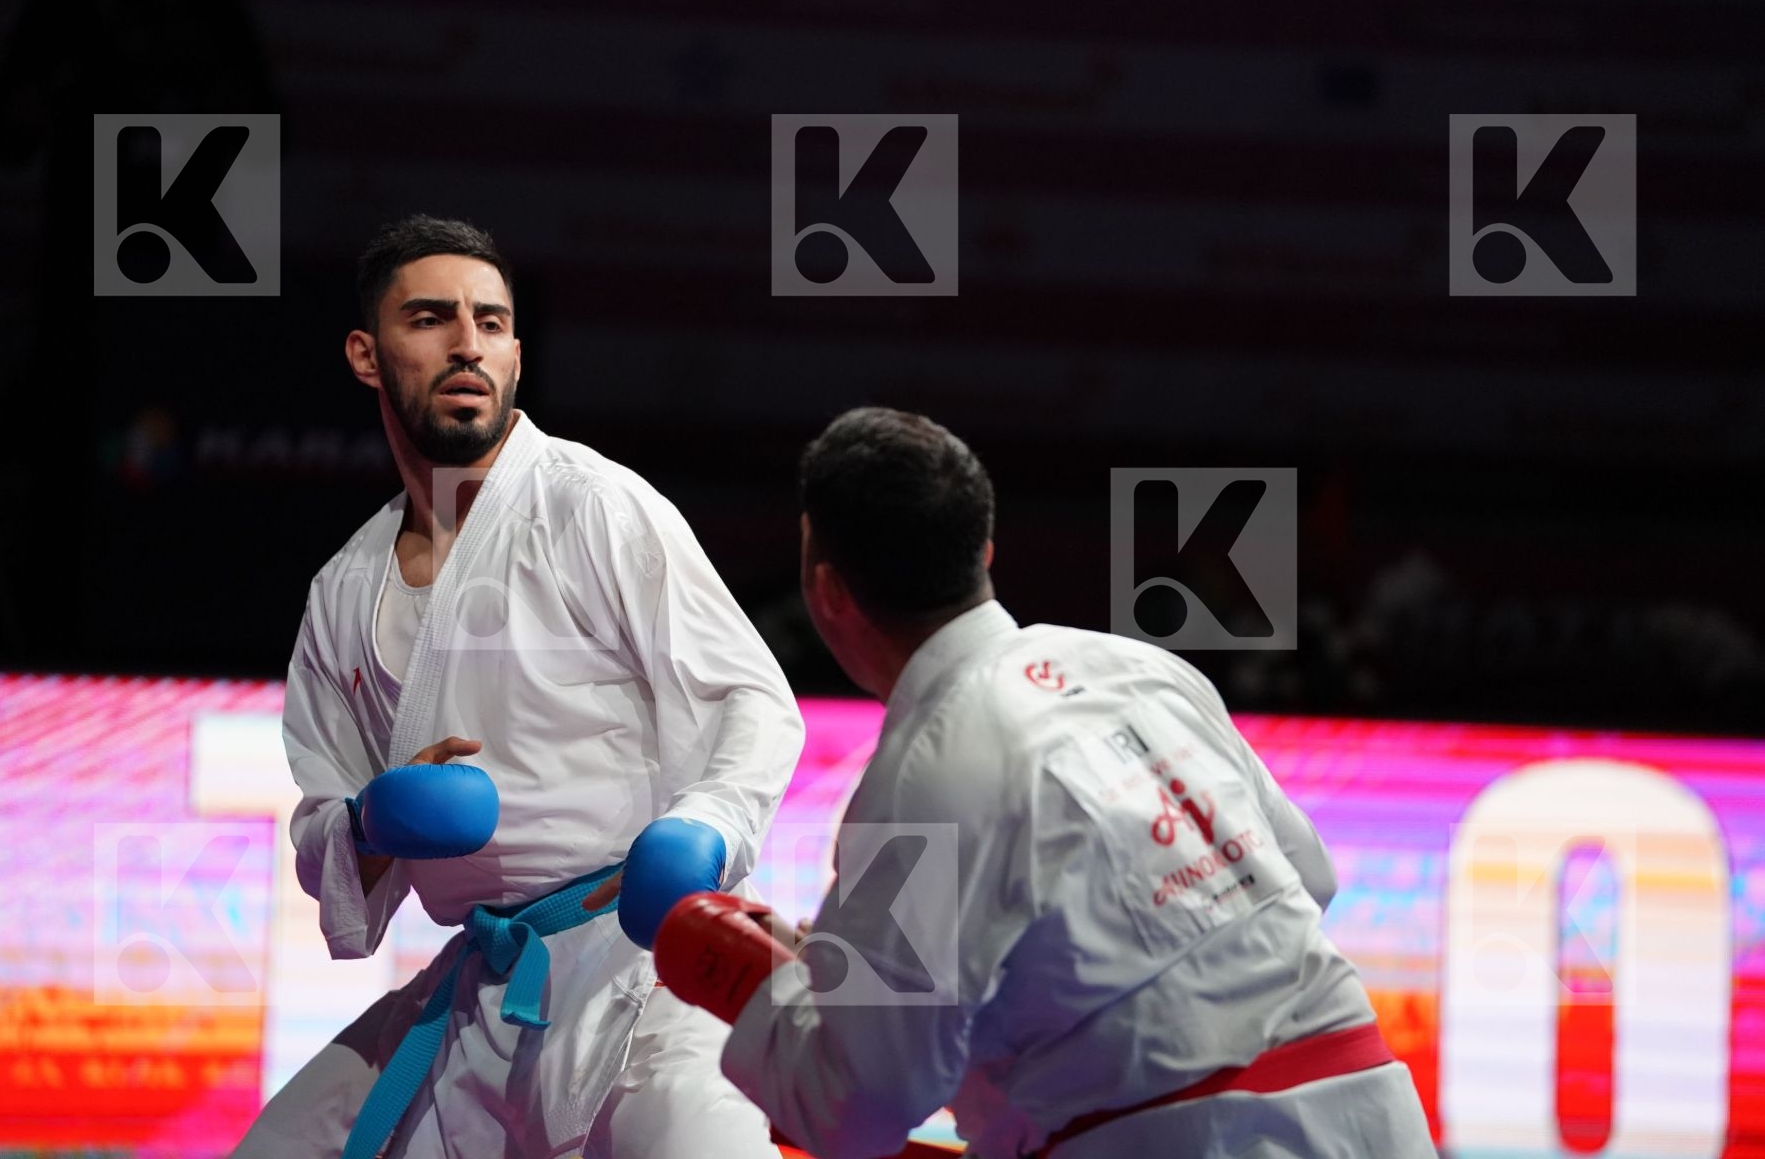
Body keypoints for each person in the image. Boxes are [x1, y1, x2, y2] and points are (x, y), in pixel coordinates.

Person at [653, 407, 1438, 1159]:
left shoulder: (923, 777)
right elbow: (1307, 877)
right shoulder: (1142, 668)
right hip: (1373, 1117)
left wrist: (743, 979)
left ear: (826, 592)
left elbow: (865, 1103)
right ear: (985, 552)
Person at [232, 215, 802, 1158]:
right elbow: (320, 834)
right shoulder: (342, 591)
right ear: (367, 355)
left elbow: (751, 698)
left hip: (643, 968)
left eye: (491, 324)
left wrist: (708, 824)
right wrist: (370, 822)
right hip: (479, 986)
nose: (468, 345)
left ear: (517, 356)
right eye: (432, 319)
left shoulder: (593, 503)